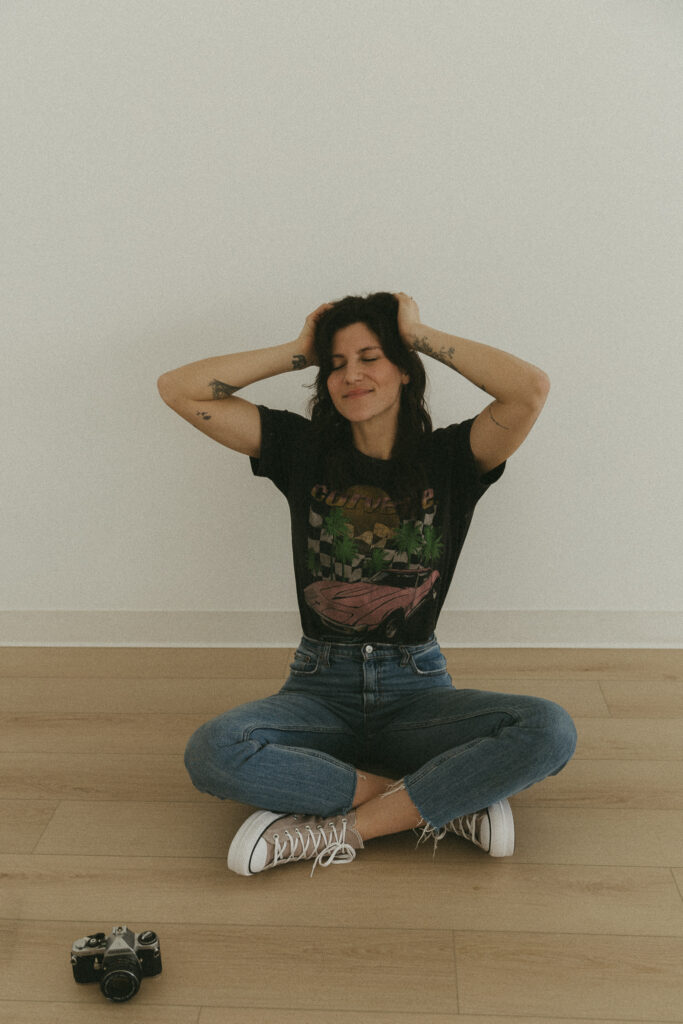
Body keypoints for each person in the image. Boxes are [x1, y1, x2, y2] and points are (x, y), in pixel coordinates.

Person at [157, 291, 577, 877]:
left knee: (549, 728)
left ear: (405, 369)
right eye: (336, 363)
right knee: (213, 752)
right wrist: (298, 351)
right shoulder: (301, 450)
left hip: (417, 692)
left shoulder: (453, 457)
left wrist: (418, 333)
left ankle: (340, 830)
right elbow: (180, 388)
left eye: (371, 357)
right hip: (318, 689)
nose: (351, 374)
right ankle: (439, 804)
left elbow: (528, 389)